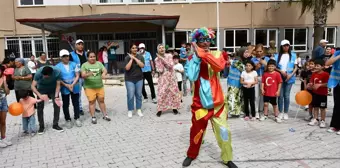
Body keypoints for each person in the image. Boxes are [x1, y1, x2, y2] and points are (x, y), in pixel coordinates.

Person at [182, 27, 237, 168]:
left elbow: (219, 67)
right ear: (196, 41)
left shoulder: (217, 54)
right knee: (196, 132)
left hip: (218, 104)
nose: (205, 43)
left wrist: (202, 54)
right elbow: (193, 76)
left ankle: (227, 158)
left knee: (225, 132)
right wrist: (196, 57)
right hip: (200, 105)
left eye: (207, 40)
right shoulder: (191, 58)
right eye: (201, 40)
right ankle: (191, 154)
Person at [70, 39, 100, 115]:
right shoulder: (71, 55)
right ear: (75, 45)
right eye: (79, 44)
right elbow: (71, 65)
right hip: (78, 78)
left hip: (87, 77)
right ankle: (80, 108)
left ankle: (93, 106)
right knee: (78, 94)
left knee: (91, 92)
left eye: (82, 44)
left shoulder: (87, 54)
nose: (80, 46)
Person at [81, 51, 111, 124]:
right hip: (89, 87)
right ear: (87, 58)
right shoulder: (84, 65)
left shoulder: (99, 63)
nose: (92, 58)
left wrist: (104, 74)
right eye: (91, 57)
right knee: (92, 101)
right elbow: (83, 75)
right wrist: (89, 74)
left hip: (99, 86)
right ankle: (93, 117)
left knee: (101, 100)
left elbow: (105, 70)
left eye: (94, 56)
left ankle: (105, 115)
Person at [31, 66, 63, 134]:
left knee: (57, 105)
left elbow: (58, 85)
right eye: (44, 76)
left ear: (51, 74)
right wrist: (40, 95)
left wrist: (56, 96)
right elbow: (33, 86)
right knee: (40, 107)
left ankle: (55, 124)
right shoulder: (38, 73)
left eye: (46, 76)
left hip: (53, 89)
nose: (44, 77)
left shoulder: (57, 72)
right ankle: (41, 126)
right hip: (41, 90)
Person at [55, 49, 82, 128]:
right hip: (64, 87)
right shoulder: (57, 67)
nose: (66, 58)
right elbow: (58, 79)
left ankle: (77, 118)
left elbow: (77, 75)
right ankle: (68, 119)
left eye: (67, 56)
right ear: (61, 57)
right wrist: (66, 85)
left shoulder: (74, 64)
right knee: (66, 104)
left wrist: (72, 84)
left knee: (76, 103)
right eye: (64, 56)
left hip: (75, 86)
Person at [274, 40, 298, 120]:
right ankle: (280, 111)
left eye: (287, 45)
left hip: (289, 77)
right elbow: (274, 67)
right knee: (280, 96)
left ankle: (286, 112)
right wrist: (281, 71)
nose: (286, 47)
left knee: (286, 96)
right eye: (284, 45)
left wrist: (291, 75)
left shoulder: (293, 55)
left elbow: (296, 67)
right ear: (281, 46)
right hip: (280, 76)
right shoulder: (277, 56)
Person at [155, 44, 181, 117]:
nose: (161, 49)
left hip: (171, 78)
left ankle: (174, 108)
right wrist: (160, 60)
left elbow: (170, 66)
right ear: (158, 50)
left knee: (173, 93)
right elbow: (160, 70)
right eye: (159, 48)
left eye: (162, 47)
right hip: (163, 79)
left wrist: (162, 59)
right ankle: (160, 109)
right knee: (162, 93)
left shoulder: (169, 55)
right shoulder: (156, 59)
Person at [307, 59, 329, 128]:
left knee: (322, 108)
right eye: (315, 66)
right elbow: (311, 82)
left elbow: (328, 84)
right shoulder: (314, 74)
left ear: (322, 67)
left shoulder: (326, 74)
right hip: (315, 93)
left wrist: (320, 85)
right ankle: (315, 119)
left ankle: (323, 120)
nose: (316, 67)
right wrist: (310, 84)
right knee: (315, 107)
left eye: (318, 66)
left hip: (323, 94)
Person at [124, 44, 145, 118]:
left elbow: (142, 65)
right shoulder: (127, 58)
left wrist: (135, 58)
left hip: (139, 78)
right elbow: (127, 68)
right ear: (130, 49)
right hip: (129, 79)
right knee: (130, 95)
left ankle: (139, 109)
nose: (135, 49)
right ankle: (130, 110)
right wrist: (131, 59)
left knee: (139, 95)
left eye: (136, 48)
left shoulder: (140, 57)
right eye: (133, 48)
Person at [251, 44, 270, 119]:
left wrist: (265, 64)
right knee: (256, 96)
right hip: (255, 78)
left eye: (260, 51)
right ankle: (256, 111)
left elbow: (270, 69)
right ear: (255, 51)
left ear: (263, 51)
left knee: (263, 95)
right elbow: (250, 70)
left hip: (264, 78)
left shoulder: (267, 59)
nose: (259, 53)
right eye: (257, 51)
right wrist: (256, 67)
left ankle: (261, 110)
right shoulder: (253, 59)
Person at [325, 49, 340, 135]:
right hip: (336, 82)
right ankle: (335, 126)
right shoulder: (337, 53)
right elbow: (327, 63)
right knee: (337, 104)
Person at [0, 66, 11, 148]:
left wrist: (4, 83)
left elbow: (7, 92)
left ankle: (3, 138)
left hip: (3, 101)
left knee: (3, 122)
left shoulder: (3, 78)